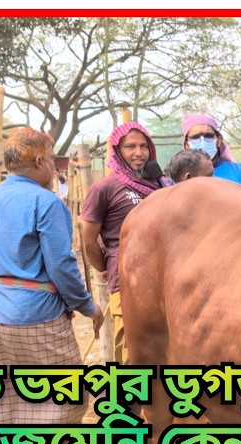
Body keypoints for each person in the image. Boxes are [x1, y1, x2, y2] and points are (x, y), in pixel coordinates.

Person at [0, 128, 101, 444]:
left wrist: (2, 290)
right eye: (53, 159)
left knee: (3, 402)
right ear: (40, 160)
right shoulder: (47, 203)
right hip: (38, 318)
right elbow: (61, 266)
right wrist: (87, 307)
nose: (55, 167)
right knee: (63, 399)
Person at [79, 122, 156, 364]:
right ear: (117, 150)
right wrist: (106, 266)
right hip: (125, 276)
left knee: (155, 339)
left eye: (144, 146)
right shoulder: (104, 188)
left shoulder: (157, 184)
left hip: (158, 274)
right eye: (130, 146)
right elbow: (89, 240)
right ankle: (125, 398)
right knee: (129, 340)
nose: (139, 152)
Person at [180, 113, 241, 188]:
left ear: (219, 140)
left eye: (208, 135)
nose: (202, 141)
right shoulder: (179, 176)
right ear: (186, 145)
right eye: (195, 137)